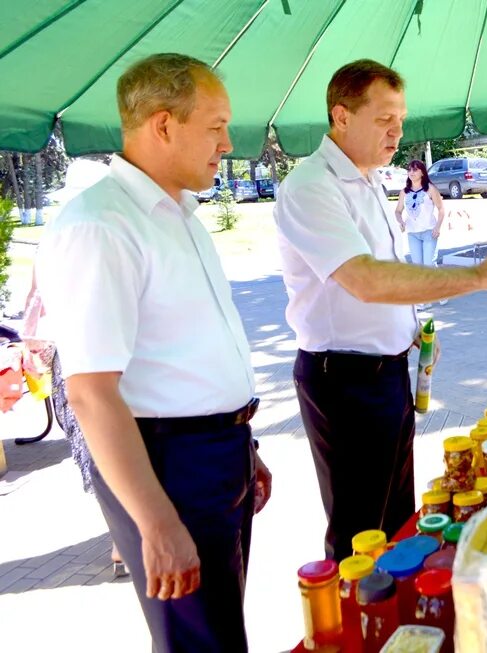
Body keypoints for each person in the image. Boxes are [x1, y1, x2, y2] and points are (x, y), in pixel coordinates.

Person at [36, 53, 272, 652]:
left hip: (217, 452)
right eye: (215, 125)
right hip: (168, 464)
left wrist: (243, 446)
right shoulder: (102, 225)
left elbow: (188, 351)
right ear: (163, 125)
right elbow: (90, 392)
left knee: (222, 630)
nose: (228, 142)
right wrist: (156, 520)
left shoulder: (179, 215)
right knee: (198, 642)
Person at [274, 58, 487, 561]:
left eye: (400, 120)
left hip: (386, 375)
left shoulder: (370, 178)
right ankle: (360, 632)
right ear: (341, 117)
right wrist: (481, 275)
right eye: (384, 120)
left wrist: (411, 329)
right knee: (360, 534)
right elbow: (366, 280)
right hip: (344, 381)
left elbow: (385, 275)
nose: (397, 134)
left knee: (395, 525)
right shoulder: (312, 187)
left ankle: (399, 628)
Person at [22, 272, 128, 576]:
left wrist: (34, 348)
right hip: (107, 357)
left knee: (99, 448)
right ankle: (124, 538)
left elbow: (34, 302)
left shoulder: (57, 237)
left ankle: (122, 539)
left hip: (75, 361)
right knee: (114, 445)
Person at [395, 159, 447, 305]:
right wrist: (400, 221)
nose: (411, 172)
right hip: (413, 233)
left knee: (429, 264)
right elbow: (398, 211)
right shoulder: (404, 192)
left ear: (422, 172)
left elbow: (441, 209)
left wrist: (437, 227)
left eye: (415, 170)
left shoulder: (430, 189)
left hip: (429, 232)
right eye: (409, 170)